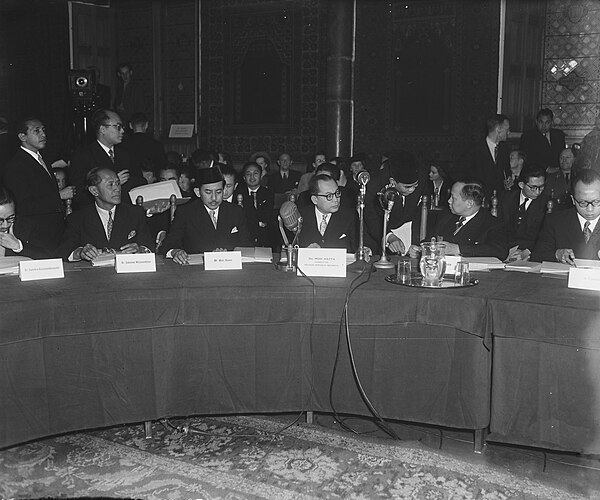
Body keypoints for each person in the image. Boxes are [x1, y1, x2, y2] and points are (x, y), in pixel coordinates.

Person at [2, 117, 74, 251]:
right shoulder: (15, 166)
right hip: (36, 236)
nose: (43, 134)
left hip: (54, 233)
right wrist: (59, 196)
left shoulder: (43, 158)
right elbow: (23, 206)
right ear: (22, 136)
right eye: (37, 131)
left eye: (43, 130)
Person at [56, 167, 154, 261]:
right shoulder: (78, 219)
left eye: (118, 183)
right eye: (110, 184)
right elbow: (63, 252)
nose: (117, 189)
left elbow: (150, 247)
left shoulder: (135, 213)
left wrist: (140, 250)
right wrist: (80, 253)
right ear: (94, 190)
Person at [160, 167, 250, 263]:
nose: (214, 198)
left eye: (219, 192)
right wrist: (175, 251)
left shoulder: (235, 211)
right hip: (196, 270)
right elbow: (169, 244)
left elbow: (246, 245)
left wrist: (228, 254)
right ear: (198, 192)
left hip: (230, 267)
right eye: (208, 192)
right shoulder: (185, 212)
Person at [411, 179, 508, 260]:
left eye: (453, 198)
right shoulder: (446, 216)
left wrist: (458, 249)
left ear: (469, 203)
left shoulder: (492, 223)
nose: (449, 201)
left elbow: (500, 251)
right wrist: (419, 250)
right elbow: (429, 240)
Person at [70, 109, 144, 209]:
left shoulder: (126, 153)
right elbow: (79, 193)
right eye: (118, 127)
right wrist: (112, 183)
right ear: (102, 129)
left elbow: (139, 181)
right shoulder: (83, 156)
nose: (122, 131)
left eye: (122, 127)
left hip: (126, 213)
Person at [532, 169, 600, 264]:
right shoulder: (555, 221)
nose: (590, 209)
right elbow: (537, 255)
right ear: (573, 199)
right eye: (583, 202)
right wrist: (557, 254)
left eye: (596, 202)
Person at [364, 150, 425, 255]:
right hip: (382, 230)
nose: (412, 190)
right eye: (407, 187)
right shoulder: (374, 186)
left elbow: (420, 213)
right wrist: (389, 236)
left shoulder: (420, 176)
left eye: (415, 186)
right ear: (392, 182)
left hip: (408, 228)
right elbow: (372, 218)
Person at [297, 174, 358, 252]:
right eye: (329, 196)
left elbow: (356, 249)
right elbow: (291, 248)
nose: (336, 199)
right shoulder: (301, 216)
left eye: (337, 193)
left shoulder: (350, 215)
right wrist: (304, 252)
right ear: (315, 199)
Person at [499, 166, 549, 262]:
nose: (538, 192)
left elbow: (545, 237)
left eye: (541, 187)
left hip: (530, 253)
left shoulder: (547, 203)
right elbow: (498, 227)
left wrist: (526, 252)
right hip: (505, 250)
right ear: (521, 185)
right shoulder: (506, 198)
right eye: (533, 187)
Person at [465, 114, 511, 200]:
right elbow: (463, 173)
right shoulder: (475, 149)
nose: (509, 133)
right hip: (479, 199)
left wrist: (508, 181)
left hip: (499, 199)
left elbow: (506, 171)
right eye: (507, 129)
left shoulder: (505, 149)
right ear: (499, 129)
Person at [0, 186, 50, 259]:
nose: (5, 225)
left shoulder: (26, 226)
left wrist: (18, 246)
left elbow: (48, 258)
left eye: (10, 218)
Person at [233, 161, 274, 247]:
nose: (252, 177)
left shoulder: (268, 193)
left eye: (255, 173)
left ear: (261, 175)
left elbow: (266, 217)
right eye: (248, 174)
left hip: (265, 235)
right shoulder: (238, 194)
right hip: (245, 234)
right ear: (244, 177)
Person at [113, 62, 145, 130]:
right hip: (121, 121)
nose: (125, 76)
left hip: (132, 121)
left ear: (130, 73)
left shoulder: (136, 87)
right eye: (122, 73)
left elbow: (139, 106)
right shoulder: (119, 88)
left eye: (127, 73)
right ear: (119, 74)